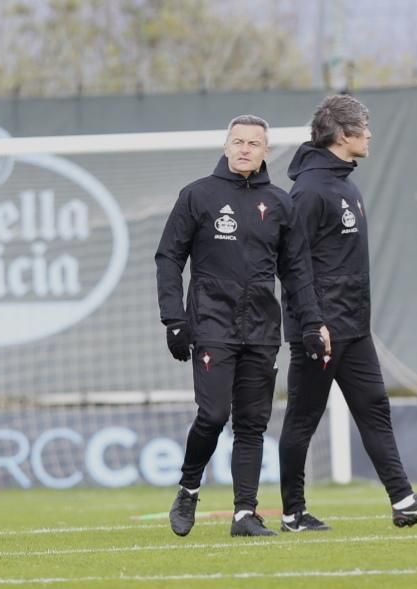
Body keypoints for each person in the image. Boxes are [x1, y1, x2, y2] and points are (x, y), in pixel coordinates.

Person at [277, 94, 417, 532]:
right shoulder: (310, 191)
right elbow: (294, 265)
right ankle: (292, 513)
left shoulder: (345, 185)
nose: (370, 134)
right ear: (342, 134)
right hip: (321, 330)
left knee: (375, 409)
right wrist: (313, 324)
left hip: (354, 329)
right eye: (364, 126)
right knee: (303, 419)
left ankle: (404, 501)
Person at [155, 114, 331, 537]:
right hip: (212, 324)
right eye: (238, 141)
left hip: (262, 331)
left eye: (254, 142)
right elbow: (168, 257)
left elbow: (297, 273)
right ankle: (189, 488)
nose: (246, 148)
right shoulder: (198, 195)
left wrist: (311, 323)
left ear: (266, 150)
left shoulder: (281, 203)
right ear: (226, 146)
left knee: (252, 423)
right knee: (213, 414)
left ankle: (244, 514)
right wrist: (174, 319)